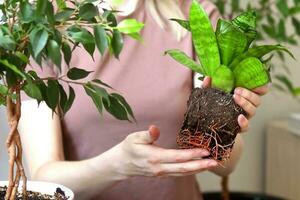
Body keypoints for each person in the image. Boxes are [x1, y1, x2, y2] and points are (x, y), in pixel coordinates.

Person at [18, 0, 268, 200]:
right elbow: (45, 178)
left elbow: (222, 165)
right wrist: (117, 166)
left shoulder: (193, 14)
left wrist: (225, 125)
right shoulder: (44, 25)